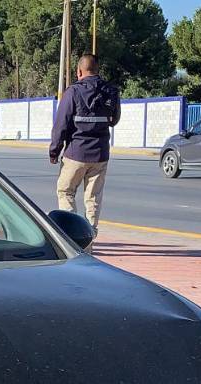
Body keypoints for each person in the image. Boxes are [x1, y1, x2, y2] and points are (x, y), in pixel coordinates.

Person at [49, 54, 120, 249]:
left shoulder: (72, 92)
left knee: (66, 191)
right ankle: (89, 237)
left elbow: (60, 125)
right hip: (100, 154)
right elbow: (114, 120)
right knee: (94, 197)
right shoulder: (111, 91)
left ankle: (72, 236)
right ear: (97, 70)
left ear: (79, 72)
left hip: (75, 154)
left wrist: (54, 151)